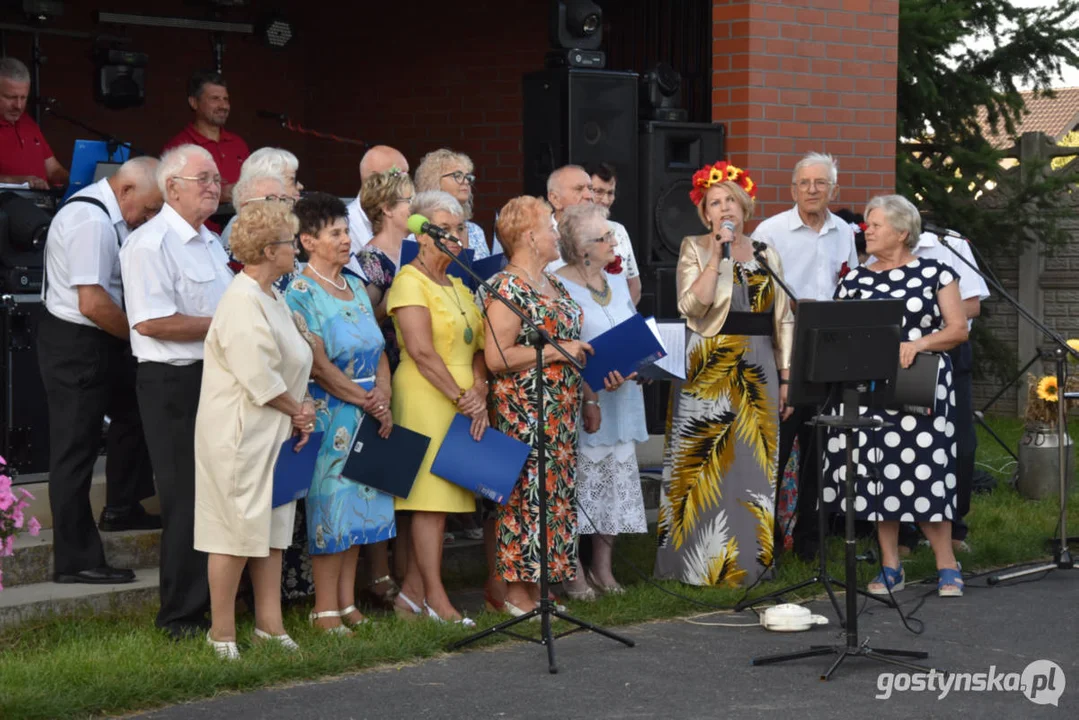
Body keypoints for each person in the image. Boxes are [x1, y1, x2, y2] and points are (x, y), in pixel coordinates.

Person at [655, 161, 794, 588]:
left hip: (759, 366)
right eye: (715, 202)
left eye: (730, 199)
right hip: (708, 366)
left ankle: (749, 567)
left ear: (744, 205)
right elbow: (690, 307)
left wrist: (787, 377)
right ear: (706, 214)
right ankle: (693, 568)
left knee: (752, 468)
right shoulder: (693, 247)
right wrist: (716, 254)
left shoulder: (767, 252)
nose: (723, 207)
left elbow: (784, 317)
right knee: (702, 463)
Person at [825, 194, 967, 598]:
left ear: (903, 232)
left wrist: (920, 343)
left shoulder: (936, 273)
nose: (866, 230)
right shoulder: (854, 280)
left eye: (876, 225)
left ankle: (947, 564)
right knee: (876, 477)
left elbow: (958, 330)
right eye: (867, 224)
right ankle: (891, 566)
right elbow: (837, 334)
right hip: (868, 392)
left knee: (925, 473)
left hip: (919, 387)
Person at [120, 144, 234, 638]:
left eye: (216, 178)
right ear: (171, 188)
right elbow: (151, 321)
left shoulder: (210, 241)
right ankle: (181, 618)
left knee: (221, 494)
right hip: (173, 383)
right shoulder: (149, 244)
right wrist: (228, 325)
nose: (215, 185)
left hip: (216, 378)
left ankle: (223, 605)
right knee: (187, 499)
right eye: (203, 178)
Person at [195, 201, 314, 660]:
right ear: (269, 250)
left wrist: (298, 414)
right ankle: (221, 633)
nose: (295, 248)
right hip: (241, 432)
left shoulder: (272, 294)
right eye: (289, 242)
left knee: (271, 529)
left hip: (276, 429)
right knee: (235, 530)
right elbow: (259, 377)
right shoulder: (242, 300)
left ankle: (270, 625)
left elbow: (293, 361)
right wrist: (299, 412)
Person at [38, 157, 162, 586]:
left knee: (137, 409)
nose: (147, 219)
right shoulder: (90, 220)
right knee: (76, 449)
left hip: (102, 336)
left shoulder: (113, 213)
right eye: (146, 209)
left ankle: (122, 507)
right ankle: (74, 560)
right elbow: (91, 302)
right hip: (78, 341)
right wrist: (140, 334)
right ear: (125, 190)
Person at [284, 192, 396, 633]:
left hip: (369, 408)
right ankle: (324, 608)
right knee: (331, 508)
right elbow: (315, 362)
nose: (347, 240)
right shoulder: (300, 291)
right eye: (336, 233)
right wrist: (362, 397)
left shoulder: (354, 285)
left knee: (359, 512)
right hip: (332, 414)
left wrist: (383, 393)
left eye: (347, 231)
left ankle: (347, 602)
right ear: (308, 240)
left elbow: (379, 347)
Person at [482, 195, 595, 615]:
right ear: (529, 236)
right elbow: (496, 357)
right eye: (550, 225)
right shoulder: (507, 287)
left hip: (560, 414)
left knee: (553, 498)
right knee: (524, 496)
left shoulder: (555, 284)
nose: (556, 233)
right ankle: (514, 592)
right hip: (524, 412)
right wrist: (556, 352)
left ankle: (540, 586)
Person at [752, 152, 859, 561]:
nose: (812, 190)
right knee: (779, 448)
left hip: (830, 351)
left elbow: (848, 283)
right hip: (786, 350)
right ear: (792, 188)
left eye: (821, 183)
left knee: (820, 448)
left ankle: (811, 539)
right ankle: (770, 542)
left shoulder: (844, 232)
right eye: (805, 183)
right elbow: (758, 292)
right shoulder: (771, 229)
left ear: (834, 189)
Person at [385, 190, 486, 625]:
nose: (455, 235)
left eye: (460, 227)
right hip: (428, 396)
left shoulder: (462, 284)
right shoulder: (410, 280)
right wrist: (462, 397)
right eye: (443, 228)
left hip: (466, 400)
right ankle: (435, 600)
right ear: (422, 235)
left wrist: (479, 387)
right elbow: (423, 352)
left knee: (446, 503)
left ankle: (410, 595)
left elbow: (480, 347)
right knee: (428, 503)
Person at [555, 203, 648, 598]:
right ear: (582, 249)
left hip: (622, 397)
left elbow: (631, 333)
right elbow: (567, 346)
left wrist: (639, 364)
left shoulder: (613, 283)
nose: (615, 243)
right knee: (580, 485)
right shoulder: (558, 285)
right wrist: (591, 392)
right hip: (584, 400)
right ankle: (572, 569)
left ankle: (603, 569)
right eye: (605, 238)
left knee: (612, 483)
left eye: (612, 235)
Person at [894, 226, 989, 557]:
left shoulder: (950, 243)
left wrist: (931, 318)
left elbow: (973, 305)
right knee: (904, 443)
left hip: (948, 352)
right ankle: (906, 533)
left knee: (960, 445)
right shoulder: (878, 256)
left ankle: (954, 526)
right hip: (904, 357)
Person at [353, 167, 414, 608]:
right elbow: (364, 318)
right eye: (408, 202)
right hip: (384, 366)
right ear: (388, 209)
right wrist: (401, 302)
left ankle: (411, 572)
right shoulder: (371, 259)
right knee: (382, 472)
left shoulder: (415, 249)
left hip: (416, 369)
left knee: (408, 473)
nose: (415, 209)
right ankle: (377, 573)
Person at [162, 71, 249, 202]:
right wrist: (218, 193)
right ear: (194, 103)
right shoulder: (178, 147)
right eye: (215, 99)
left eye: (226, 99)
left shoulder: (238, 144)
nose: (223, 106)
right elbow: (170, 195)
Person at [413, 149, 495, 259]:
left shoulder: (476, 231)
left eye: (467, 177)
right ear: (434, 180)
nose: (465, 182)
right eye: (457, 175)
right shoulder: (422, 230)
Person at [0, 57, 68, 188]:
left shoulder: (28, 122)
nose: (18, 106)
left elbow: (53, 170)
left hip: (42, 205)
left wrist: (77, 181)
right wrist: (20, 181)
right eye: (10, 97)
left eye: (23, 97)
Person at [219, 147, 303, 250]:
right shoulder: (246, 227)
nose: (300, 186)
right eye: (292, 180)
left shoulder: (280, 223)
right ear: (269, 182)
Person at [345, 144, 410, 269]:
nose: (407, 181)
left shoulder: (407, 217)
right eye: (399, 175)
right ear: (374, 179)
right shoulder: (346, 224)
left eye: (407, 174)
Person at [586, 162, 642, 305]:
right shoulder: (567, 234)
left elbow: (634, 285)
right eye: (598, 192)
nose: (605, 200)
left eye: (610, 193)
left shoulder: (619, 231)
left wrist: (621, 317)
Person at [544, 165, 594, 273]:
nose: (589, 195)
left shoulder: (614, 232)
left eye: (590, 189)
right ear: (555, 199)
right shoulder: (539, 238)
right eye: (579, 189)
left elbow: (633, 285)